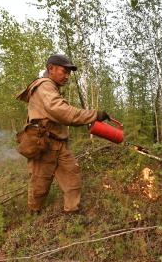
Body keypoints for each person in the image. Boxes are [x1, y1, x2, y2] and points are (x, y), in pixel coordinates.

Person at [16, 53, 110, 214]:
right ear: (50, 68)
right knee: (40, 183)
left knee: (71, 175)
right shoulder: (45, 86)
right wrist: (94, 115)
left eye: (69, 73)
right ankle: (34, 213)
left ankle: (72, 211)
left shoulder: (52, 88)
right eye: (64, 71)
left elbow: (60, 115)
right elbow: (62, 112)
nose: (67, 76)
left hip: (59, 143)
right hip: (44, 144)